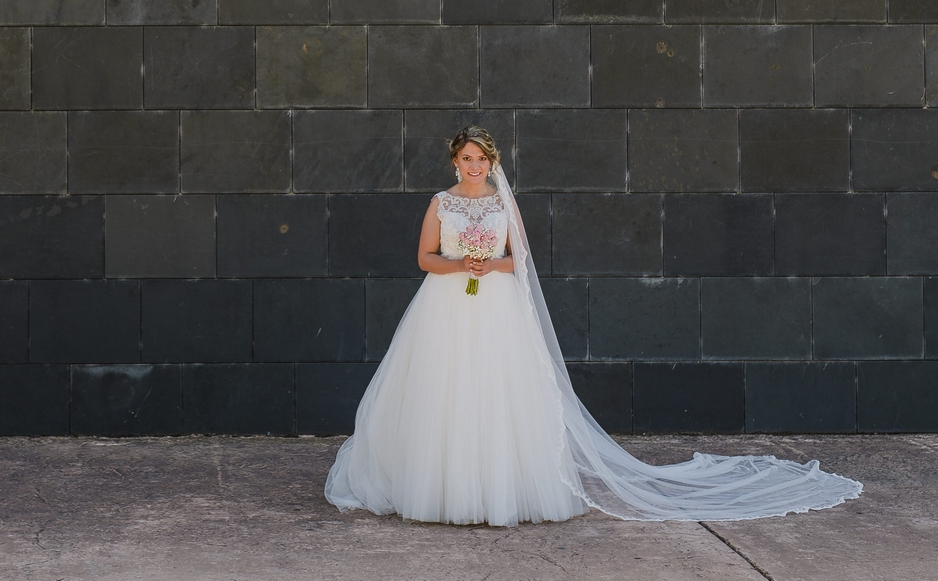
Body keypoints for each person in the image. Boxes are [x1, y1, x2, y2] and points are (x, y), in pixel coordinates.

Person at [325, 125, 861, 527]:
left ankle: (501, 490)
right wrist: (461, 264)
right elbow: (423, 258)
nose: (474, 166)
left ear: (492, 162)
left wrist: (491, 264)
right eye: (466, 158)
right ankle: (441, 489)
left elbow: (522, 259)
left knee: (498, 391)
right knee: (446, 392)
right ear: (454, 161)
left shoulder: (502, 203)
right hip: (446, 304)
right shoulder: (439, 203)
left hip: (496, 307)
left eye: (481, 159)